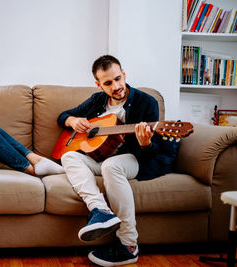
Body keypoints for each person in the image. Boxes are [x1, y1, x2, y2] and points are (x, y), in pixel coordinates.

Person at [58, 55, 179, 266]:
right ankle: (100, 211)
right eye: (108, 83)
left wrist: (145, 143)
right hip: (101, 158)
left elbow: (151, 153)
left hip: (135, 159)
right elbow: (63, 116)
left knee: (111, 165)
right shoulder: (97, 100)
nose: (116, 86)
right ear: (99, 84)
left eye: (117, 79)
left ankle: (129, 245)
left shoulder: (146, 102)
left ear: (124, 74)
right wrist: (73, 120)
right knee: (69, 156)